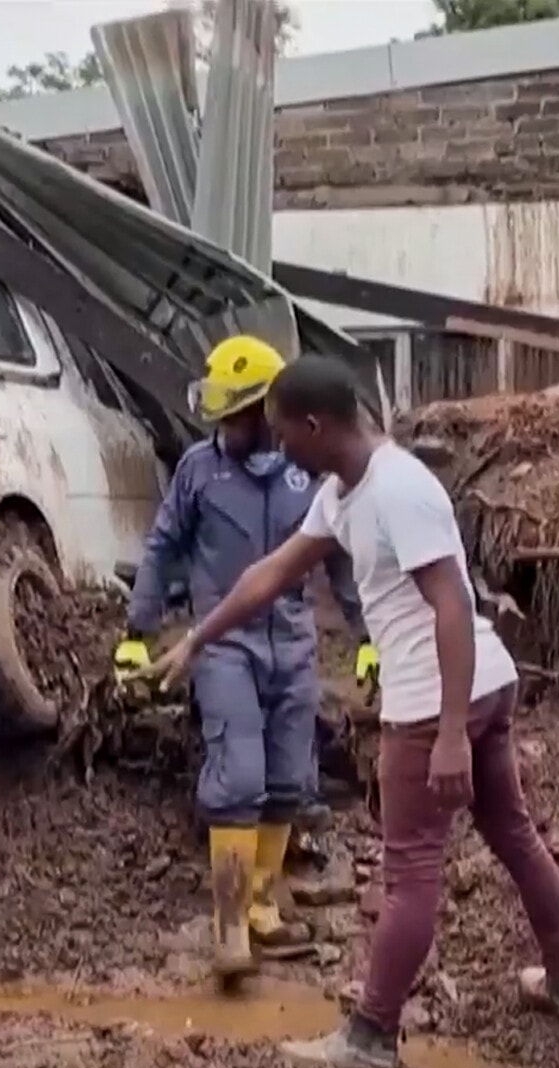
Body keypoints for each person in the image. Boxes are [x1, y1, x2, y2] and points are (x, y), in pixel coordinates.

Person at [140, 355, 559, 1068]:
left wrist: (448, 733)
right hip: (476, 684)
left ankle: (369, 1036)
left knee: (411, 870)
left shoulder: (396, 490)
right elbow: (272, 572)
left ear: (314, 424)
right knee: (512, 834)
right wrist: (197, 639)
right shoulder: (343, 492)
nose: (277, 448)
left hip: (436, 699)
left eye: (281, 432)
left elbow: (451, 604)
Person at [113, 335, 371, 982]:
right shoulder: (198, 471)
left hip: (292, 645)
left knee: (287, 779)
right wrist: (136, 631)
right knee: (238, 777)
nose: (224, 427)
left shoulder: (304, 474)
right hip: (223, 644)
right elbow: (161, 547)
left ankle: (261, 904)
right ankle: (228, 923)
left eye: (235, 415)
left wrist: (369, 638)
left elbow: (340, 560)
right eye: (219, 416)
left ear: (264, 411)